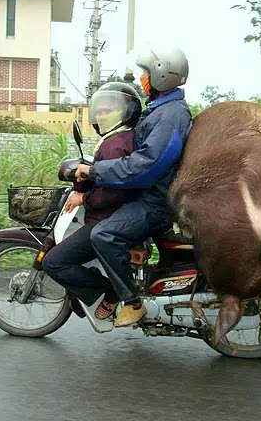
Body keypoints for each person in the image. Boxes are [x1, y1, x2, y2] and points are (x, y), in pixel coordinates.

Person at [75, 46, 192, 327]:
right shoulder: (161, 110)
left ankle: (130, 301)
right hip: (148, 195)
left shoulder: (171, 115)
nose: (142, 79)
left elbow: (147, 165)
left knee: (103, 234)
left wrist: (96, 172)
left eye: (146, 73)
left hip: (155, 202)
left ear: (162, 76)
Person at [42, 82, 142, 320]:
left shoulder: (116, 144)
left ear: (126, 112)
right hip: (116, 217)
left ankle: (109, 291)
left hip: (105, 220)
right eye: (100, 111)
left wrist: (83, 197)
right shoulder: (123, 139)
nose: (101, 115)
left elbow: (113, 193)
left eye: (108, 110)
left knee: (54, 262)